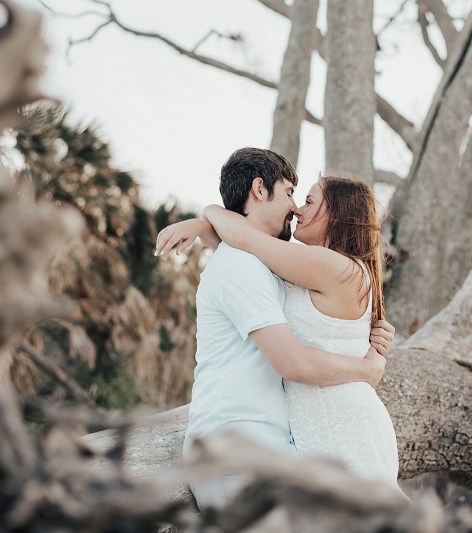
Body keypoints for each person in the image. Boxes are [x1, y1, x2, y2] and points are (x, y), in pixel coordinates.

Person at [156, 148, 395, 512]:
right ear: (259, 189)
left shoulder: (291, 264)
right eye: (290, 193)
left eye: (307, 199)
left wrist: (208, 218)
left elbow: (247, 241)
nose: (297, 207)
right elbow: (291, 361)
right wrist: (368, 367)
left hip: (297, 444)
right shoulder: (246, 264)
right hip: (236, 450)